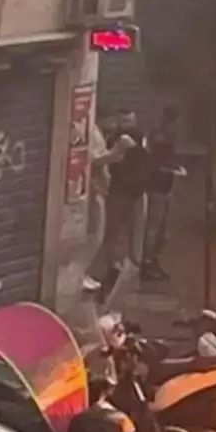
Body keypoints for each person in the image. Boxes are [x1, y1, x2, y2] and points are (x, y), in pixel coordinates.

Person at [85, 109, 147, 302]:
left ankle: (129, 276)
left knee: (135, 239)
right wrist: (117, 152)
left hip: (137, 193)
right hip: (117, 193)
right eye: (124, 122)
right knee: (109, 237)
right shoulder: (112, 140)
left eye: (131, 121)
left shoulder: (140, 139)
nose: (128, 126)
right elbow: (103, 161)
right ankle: (109, 276)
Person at [141, 107, 181, 282]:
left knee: (162, 230)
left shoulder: (168, 139)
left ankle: (152, 259)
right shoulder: (158, 139)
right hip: (156, 188)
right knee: (153, 228)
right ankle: (146, 262)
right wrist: (171, 167)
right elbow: (155, 163)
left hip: (166, 188)